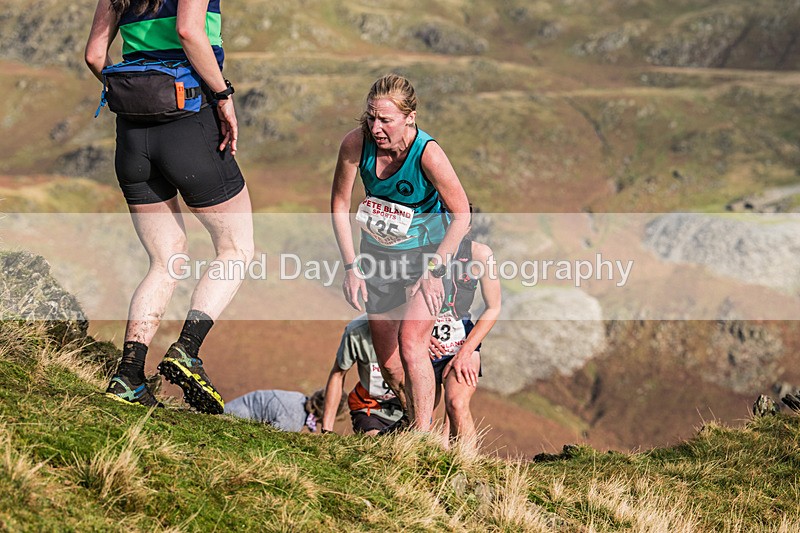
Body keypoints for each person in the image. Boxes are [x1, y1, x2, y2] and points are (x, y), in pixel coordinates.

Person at [85, 0, 254, 413]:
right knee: (236, 249)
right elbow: (189, 31)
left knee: (164, 260)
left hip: (132, 137)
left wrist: (134, 93)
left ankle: (129, 374)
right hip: (189, 122)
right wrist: (224, 96)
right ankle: (187, 350)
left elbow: (94, 55)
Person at [331, 74, 470, 432]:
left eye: (385, 120)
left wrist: (436, 269)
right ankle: (415, 421)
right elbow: (339, 204)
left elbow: (462, 215)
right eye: (370, 117)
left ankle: (422, 439)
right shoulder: (355, 144)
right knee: (390, 364)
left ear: (410, 117)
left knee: (412, 344)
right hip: (377, 257)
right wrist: (351, 267)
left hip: (427, 256)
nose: (375, 127)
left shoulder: (428, 153)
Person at [428, 235, 501, 451]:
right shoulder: (416, 247)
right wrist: (417, 336)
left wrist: (465, 352)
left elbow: (494, 307)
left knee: (456, 404)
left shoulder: (480, 254)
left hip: (461, 341)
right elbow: (396, 299)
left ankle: (469, 466)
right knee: (423, 413)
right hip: (422, 340)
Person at [321, 315, 405, 436]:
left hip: (407, 409)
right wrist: (327, 429)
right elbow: (338, 374)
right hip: (369, 408)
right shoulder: (356, 330)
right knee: (375, 439)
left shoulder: (420, 328)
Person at [225, 389, 346, 433]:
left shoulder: (299, 398)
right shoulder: (293, 420)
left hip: (240, 405)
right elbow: (266, 436)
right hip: (236, 417)